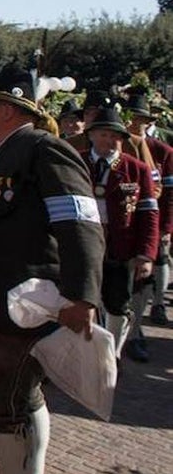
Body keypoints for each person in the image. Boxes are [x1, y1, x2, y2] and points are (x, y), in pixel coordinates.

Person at [0, 65, 104, 474]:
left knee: (10, 400)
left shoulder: (44, 149)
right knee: (15, 400)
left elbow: (80, 224)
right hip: (0, 303)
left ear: (8, 109)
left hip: (29, 305)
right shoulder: (0, 153)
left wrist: (83, 296)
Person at [79, 107, 159, 361]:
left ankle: (112, 354)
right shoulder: (76, 162)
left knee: (117, 304)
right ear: (91, 135)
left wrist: (146, 254)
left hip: (120, 248)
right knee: (80, 300)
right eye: (103, 135)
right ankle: (84, 354)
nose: (109, 141)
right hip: (82, 245)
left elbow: (149, 214)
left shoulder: (136, 169)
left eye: (115, 136)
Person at [122, 92, 173, 328]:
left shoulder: (162, 150)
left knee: (161, 259)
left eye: (140, 118)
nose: (135, 122)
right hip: (128, 219)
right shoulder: (120, 145)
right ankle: (131, 326)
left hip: (156, 215)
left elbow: (169, 192)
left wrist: (167, 226)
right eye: (131, 117)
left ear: (148, 122)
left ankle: (159, 304)